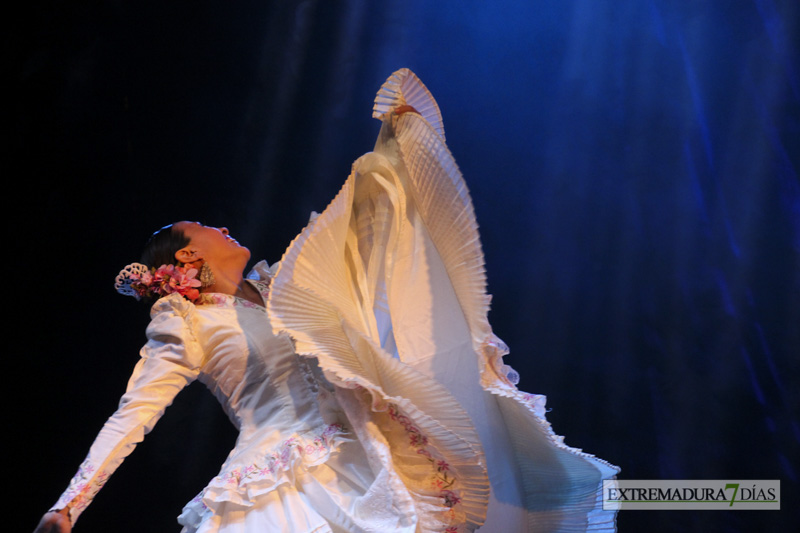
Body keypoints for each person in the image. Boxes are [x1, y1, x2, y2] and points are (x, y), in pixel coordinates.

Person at [34, 69, 619, 533]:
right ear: (188, 258)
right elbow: (133, 414)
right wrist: (70, 505)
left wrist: (394, 153)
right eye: (209, 230)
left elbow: (358, 242)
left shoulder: (278, 288)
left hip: (355, 456)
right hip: (280, 480)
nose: (227, 232)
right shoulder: (179, 318)